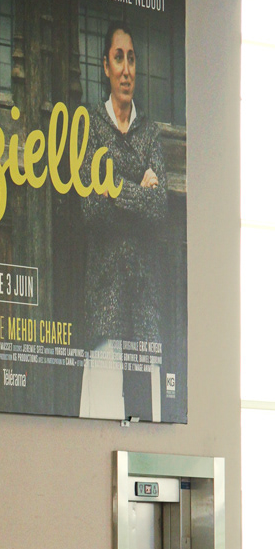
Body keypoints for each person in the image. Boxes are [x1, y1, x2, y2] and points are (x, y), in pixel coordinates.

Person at [79, 22, 168, 422]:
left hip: (143, 305)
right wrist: (137, 188)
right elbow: (90, 209)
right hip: (106, 301)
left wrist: (112, 187)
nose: (127, 69)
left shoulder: (150, 133)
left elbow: (159, 208)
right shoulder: (91, 126)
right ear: (105, 66)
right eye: (119, 58)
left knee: (145, 422)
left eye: (132, 59)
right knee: (102, 420)